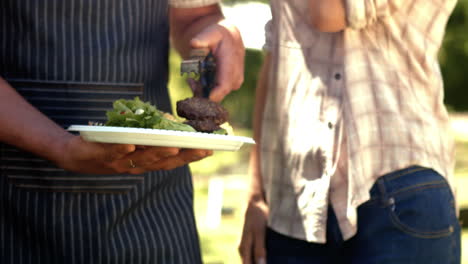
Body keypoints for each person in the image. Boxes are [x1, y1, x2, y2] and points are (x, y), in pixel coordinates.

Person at [0, 0, 244, 263]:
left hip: (152, 203)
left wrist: (217, 34)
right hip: (17, 202)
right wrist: (57, 145)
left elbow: (195, 15)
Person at [239, 0, 460, 263]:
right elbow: (276, 56)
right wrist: (255, 194)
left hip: (398, 185)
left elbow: (328, 13)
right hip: (292, 202)